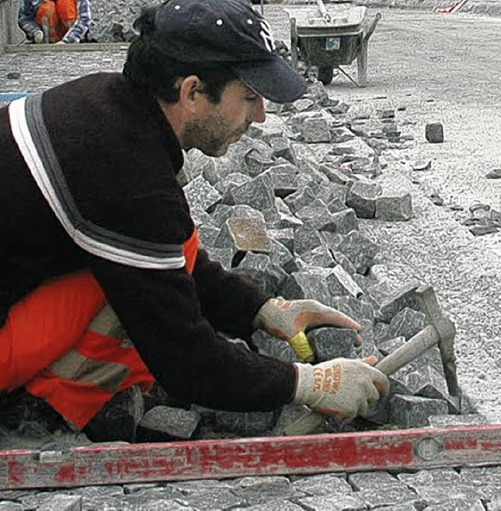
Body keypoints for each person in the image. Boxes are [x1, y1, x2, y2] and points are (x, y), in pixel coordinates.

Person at [0, 0, 389, 441]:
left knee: (148, 257)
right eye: (249, 96)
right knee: (129, 298)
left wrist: (262, 310)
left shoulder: (109, 107)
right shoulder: (127, 176)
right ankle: (42, 408)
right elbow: (185, 357)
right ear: (192, 92)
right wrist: (306, 384)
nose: (260, 116)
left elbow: (174, 257)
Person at [18, 0, 91, 44]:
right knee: (47, 8)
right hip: (46, 43)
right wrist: (35, 32)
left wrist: (68, 41)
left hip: (74, 42)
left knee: (65, 4)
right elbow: (25, 18)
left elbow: (84, 19)